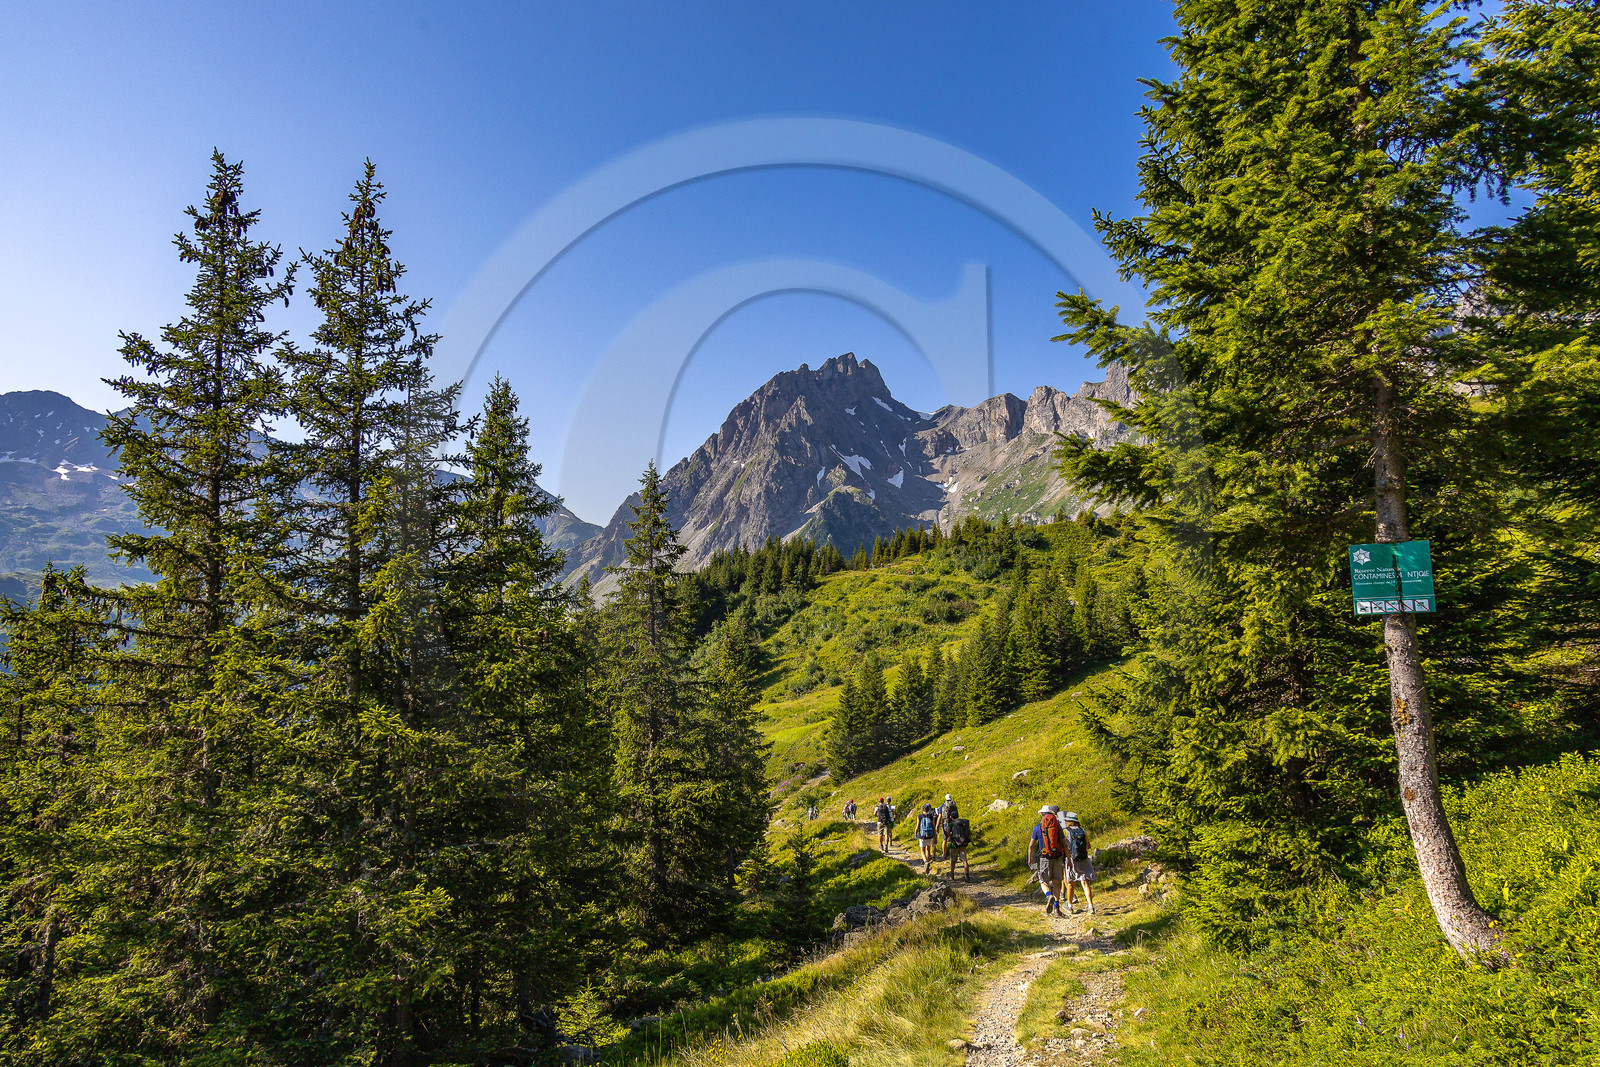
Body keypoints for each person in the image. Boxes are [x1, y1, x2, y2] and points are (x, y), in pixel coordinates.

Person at [1029, 804, 1067, 916]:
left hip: (1045, 857)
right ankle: (1056, 907)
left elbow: (1031, 845)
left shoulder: (1037, 827)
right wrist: (1068, 858)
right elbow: (1064, 844)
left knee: (1043, 881)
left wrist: (1030, 858)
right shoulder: (1058, 826)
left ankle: (1048, 895)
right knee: (1056, 882)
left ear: (1041, 814)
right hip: (1058, 857)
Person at [1060, 811, 1096, 915]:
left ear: (1069, 822)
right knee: (1085, 883)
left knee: (1071, 883)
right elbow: (1088, 846)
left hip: (1071, 859)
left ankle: (1069, 905)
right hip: (1084, 859)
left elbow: (1065, 846)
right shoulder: (1082, 830)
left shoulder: (1066, 831)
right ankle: (1090, 906)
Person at [941, 801, 972, 881]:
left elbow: (947, 831)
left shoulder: (951, 824)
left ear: (951, 817)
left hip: (955, 844)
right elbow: (970, 833)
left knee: (953, 860)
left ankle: (952, 874)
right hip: (963, 843)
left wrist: (951, 836)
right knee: (964, 860)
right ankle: (967, 875)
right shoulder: (963, 822)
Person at [915, 803, 939, 873]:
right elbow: (933, 827)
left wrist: (915, 834)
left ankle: (925, 862)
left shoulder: (919, 816)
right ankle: (928, 863)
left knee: (922, 850)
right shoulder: (931, 816)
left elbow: (917, 826)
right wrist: (935, 836)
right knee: (928, 849)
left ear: (922, 810)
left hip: (922, 835)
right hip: (930, 835)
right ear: (929, 810)